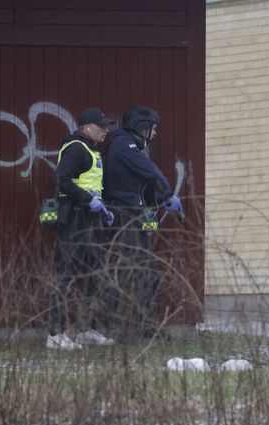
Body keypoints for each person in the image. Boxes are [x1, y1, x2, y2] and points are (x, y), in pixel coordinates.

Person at [102, 105, 183, 337]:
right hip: (124, 216)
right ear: (142, 126)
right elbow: (151, 171)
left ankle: (147, 326)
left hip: (135, 215)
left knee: (149, 272)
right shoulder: (122, 144)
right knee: (129, 272)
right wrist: (167, 190)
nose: (155, 133)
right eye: (153, 128)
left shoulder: (134, 148)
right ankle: (124, 329)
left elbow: (143, 192)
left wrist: (161, 200)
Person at [47, 107, 116, 350]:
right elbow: (60, 180)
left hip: (90, 220)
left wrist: (102, 208)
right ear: (88, 128)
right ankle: (55, 335)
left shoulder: (91, 150)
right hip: (76, 220)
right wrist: (89, 201)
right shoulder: (77, 148)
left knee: (95, 275)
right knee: (68, 276)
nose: (106, 131)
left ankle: (86, 329)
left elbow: (90, 185)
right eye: (102, 126)